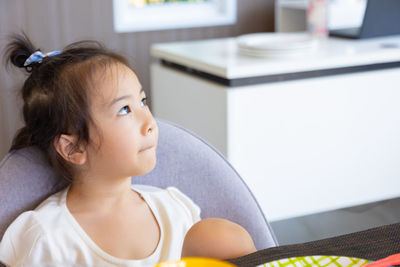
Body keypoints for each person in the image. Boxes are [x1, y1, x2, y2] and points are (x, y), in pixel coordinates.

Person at [0, 34, 256, 266]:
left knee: (221, 236)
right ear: (73, 147)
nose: (150, 123)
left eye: (143, 102)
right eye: (125, 110)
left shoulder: (174, 210)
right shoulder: (47, 237)